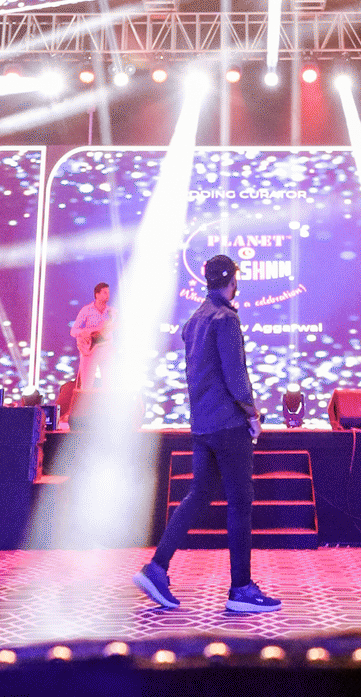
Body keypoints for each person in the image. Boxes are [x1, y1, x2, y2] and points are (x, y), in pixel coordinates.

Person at [134, 254, 281, 615]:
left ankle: (157, 567)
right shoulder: (226, 320)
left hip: (202, 424)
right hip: (230, 425)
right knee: (240, 504)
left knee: (198, 496)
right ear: (233, 279)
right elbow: (236, 378)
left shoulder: (195, 320)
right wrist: (253, 413)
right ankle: (241, 589)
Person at [71, 281, 113, 389]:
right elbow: (73, 330)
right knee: (86, 386)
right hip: (90, 350)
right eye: (104, 292)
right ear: (97, 294)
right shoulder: (86, 310)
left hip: (106, 349)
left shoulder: (112, 312)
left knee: (109, 385)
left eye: (108, 292)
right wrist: (83, 333)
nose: (107, 295)